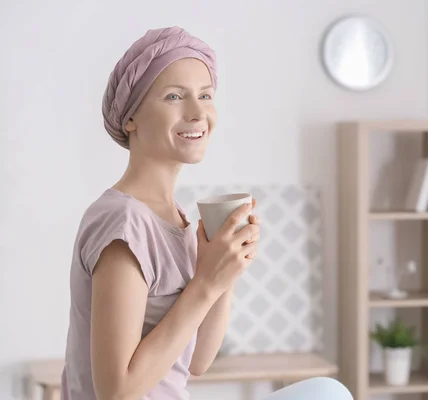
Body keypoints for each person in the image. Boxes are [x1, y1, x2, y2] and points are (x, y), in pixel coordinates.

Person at [61, 26, 352, 400]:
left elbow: (197, 361)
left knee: (327, 391)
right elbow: (116, 391)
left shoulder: (174, 216)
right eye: (174, 96)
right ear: (130, 117)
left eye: (205, 95)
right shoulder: (123, 222)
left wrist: (226, 269)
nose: (198, 112)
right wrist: (207, 283)